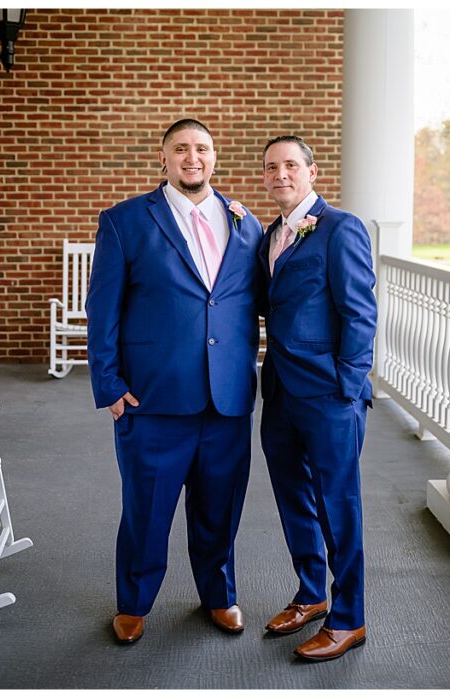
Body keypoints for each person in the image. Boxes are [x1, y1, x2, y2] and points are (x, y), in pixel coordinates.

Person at [85, 118, 264, 644]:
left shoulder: (246, 223)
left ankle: (219, 595)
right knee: (147, 510)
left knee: (220, 510)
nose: (193, 157)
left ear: (215, 156)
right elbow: (104, 310)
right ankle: (134, 603)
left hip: (227, 400)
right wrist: (110, 387)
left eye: (202, 149)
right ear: (163, 159)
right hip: (152, 400)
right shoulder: (125, 221)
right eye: (181, 149)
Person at [257, 135, 376, 661]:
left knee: (338, 505)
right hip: (280, 389)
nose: (280, 174)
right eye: (271, 167)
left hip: (330, 394)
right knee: (293, 497)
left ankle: (349, 618)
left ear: (311, 172)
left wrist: (347, 388)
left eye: (290, 165)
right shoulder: (268, 234)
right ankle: (312, 595)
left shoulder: (340, 228)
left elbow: (360, 312)